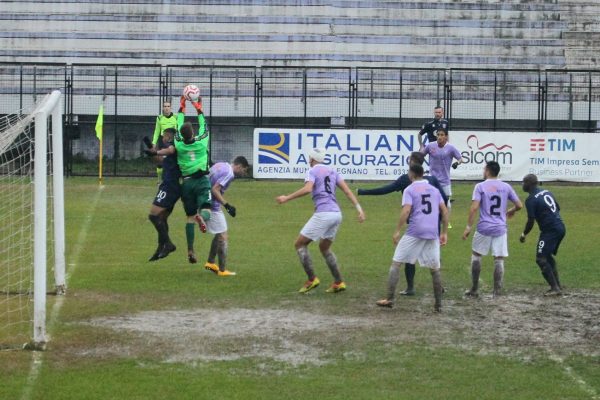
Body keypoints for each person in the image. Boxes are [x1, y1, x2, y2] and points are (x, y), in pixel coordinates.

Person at [357, 151, 448, 296]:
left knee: (408, 256)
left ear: (411, 164)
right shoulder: (433, 180)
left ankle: (410, 287)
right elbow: (444, 199)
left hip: (416, 225)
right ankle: (439, 286)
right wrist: (444, 226)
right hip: (433, 223)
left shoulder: (407, 180)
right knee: (435, 255)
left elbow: (385, 190)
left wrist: (363, 191)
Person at [276, 148, 365, 294]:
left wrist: (286, 197)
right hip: (336, 214)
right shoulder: (332, 171)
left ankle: (312, 280)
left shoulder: (312, 171)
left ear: (311, 159)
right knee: (324, 248)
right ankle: (339, 282)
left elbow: (307, 189)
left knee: (299, 244)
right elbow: (348, 191)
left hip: (324, 213)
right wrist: (359, 209)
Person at [376, 164, 448, 312]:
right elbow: (445, 211)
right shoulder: (434, 190)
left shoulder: (409, 189)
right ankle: (438, 305)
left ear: (411, 174)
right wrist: (444, 232)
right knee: (435, 269)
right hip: (433, 232)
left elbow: (406, 210)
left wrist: (397, 230)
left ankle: (389, 299)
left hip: (415, 231)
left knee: (396, 263)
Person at [462, 161, 523, 297]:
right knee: (499, 259)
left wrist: (468, 227)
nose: (483, 171)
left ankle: (474, 289)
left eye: (484, 169)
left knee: (476, 256)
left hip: (484, 227)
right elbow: (519, 205)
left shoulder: (480, 186)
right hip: (500, 228)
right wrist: (511, 210)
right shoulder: (506, 187)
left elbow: (474, 208)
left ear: (488, 171)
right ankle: (497, 291)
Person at [174, 94, 212, 264]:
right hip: (202, 180)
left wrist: (181, 107)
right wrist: (198, 108)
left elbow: (177, 125)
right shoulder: (202, 141)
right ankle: (202, 217)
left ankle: (190, 250)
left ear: (182, 134)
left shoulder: (178, 143)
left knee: (189, 217)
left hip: (186, 183)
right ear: (193, 133)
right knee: (207, 210)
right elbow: (204, 125)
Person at [203, 156, 250, 277]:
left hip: (204, 200)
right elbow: (215, 189)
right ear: (239, 166)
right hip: (212, 205)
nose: (243, 173)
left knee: (219, 233)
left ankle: (210, 262)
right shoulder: (229, 173)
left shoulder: (221, 164)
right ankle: (222, 270)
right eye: (244, 170)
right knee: (223, 236)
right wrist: (227, 205)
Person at [519, 174, 565, 296]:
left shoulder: (531, 200)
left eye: (524, 182)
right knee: (547, 256)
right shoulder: (547, 192)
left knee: (541, 259)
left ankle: (555, 288)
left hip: (550, 231)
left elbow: (530, 221)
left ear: (529, 184)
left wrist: (524, 234)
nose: (522, 185)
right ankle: (557, 286)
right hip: (560, 227)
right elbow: (558, 208)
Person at [144, 127, 180, 261]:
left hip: (170, 186)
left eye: (164, 136)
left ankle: (169, 244)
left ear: (169, 137)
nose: (163, 138)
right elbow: (160, 161)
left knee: (153, 216)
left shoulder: (173, 146)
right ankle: (160, 248)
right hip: (171, 186)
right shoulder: (170, 150)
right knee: (162, 218)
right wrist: (152, 153)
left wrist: (156, 151)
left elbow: (169, 151)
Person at [422, 128, 462, 227]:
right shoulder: (430, 146)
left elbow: (460, 158)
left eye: (442, 135)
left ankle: (446, 220)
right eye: (438, 135)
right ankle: (431, 220)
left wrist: (457, 163)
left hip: (445, 181)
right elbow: (421, 155)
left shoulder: (451, 148)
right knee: (431, 201)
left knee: (447, 203)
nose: (439, 137)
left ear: (446, 137)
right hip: (432, 180)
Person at [151, 100, 178, 182]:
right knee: (161, 162)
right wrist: (154, 143)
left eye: (168, 106)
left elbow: (178, 130)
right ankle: (159, 179)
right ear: (163, 108)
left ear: (171, 108)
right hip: (163, 141)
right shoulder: (159, 118)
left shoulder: (176, 117)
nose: (166, 108)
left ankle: (175, 178)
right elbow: (157, 131)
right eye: (165, 106)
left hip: (173, 142)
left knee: (174, 161)